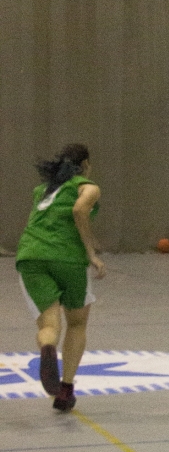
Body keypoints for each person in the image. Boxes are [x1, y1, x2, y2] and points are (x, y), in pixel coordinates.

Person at [15, 143, 105, 413]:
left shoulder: (42, 190)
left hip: (31, 255)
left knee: (49, 325)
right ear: (85, 164)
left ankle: (47, 347)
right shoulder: (87, 187)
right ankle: (65, 390)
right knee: (76, 323)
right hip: (68, 258)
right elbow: (79, 211)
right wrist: (91, 252)